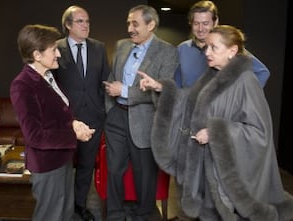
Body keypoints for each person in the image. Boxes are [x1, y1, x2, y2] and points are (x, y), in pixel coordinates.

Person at [139, 25, 293, 220]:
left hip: (223, 174)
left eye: (214, 47)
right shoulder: (212, 75)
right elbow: (189, 102)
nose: (207, 52)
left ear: (232, 51)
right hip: (204, 168)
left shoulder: (246, 81)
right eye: (206, 47)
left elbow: (259, 133)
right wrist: (161, 87)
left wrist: (215, 132)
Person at [10, 24, 95, 221]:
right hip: (47, 165)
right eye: (53, 49)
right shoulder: (22, 85)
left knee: (64, 214)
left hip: (62, 159)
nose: (58, 53)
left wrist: (73, 123)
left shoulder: (47, 76)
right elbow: (35, 136)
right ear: (37, 55)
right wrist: (74, 134)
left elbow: (58, 113)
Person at [103, 5, 178, 221]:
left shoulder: (167, 52)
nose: (130, 28)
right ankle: (115, 214)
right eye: (128, 23)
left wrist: (125, 90)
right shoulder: (122, 45)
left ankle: (144, 215)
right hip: (117, 116)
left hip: (145, 121)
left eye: (135, 23)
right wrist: (111, 108)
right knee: (114, 170)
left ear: (151, 24)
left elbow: (163, 89)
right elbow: (112, 77)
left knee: (144, 174)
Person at [53, 5, 110, 221]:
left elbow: (105, 80)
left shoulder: (98, 47)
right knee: (63, 168)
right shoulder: (55, 48)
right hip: (66, 121)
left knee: (86, 167)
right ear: (68, 25)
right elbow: (52, 86)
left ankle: (79, 207)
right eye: (80, 21)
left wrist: (103, 109)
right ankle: (62, 209)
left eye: (87, 21)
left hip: (94, 118)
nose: (86, 25)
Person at [175, 0, 270, 88]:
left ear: (215, 22)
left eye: (205, 23)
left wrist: (240, 97)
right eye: (196, 23)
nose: (200, 29)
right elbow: (177, 84)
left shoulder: (227, 48)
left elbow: (262, 73)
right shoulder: (182, 48)